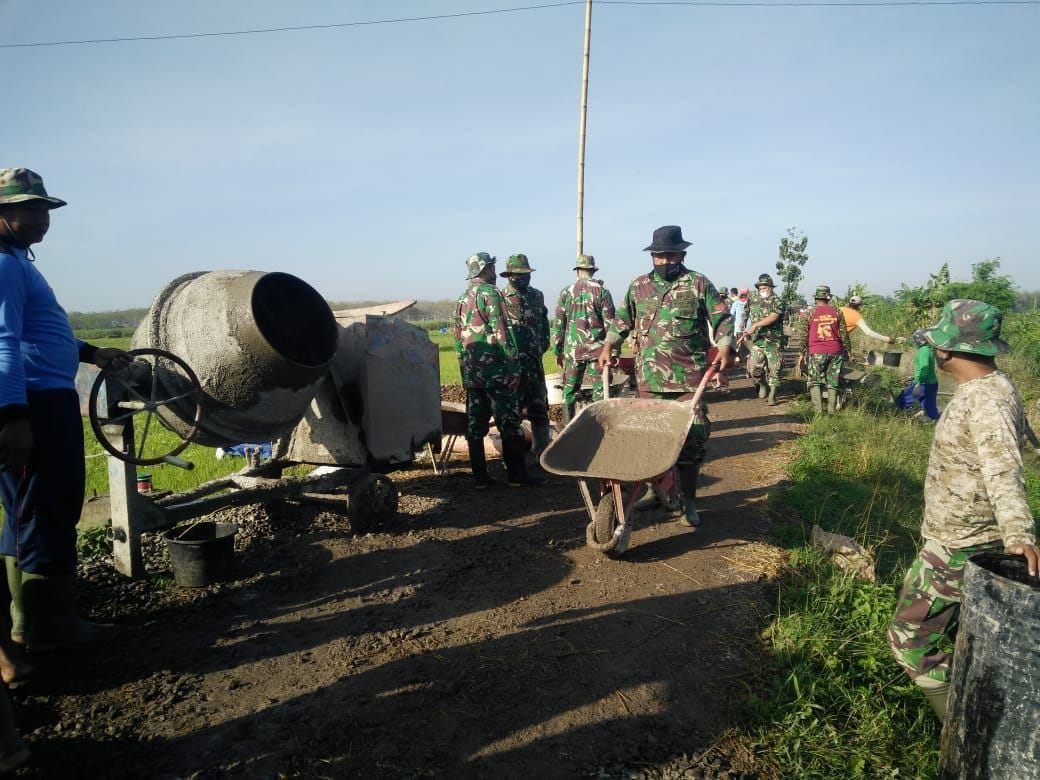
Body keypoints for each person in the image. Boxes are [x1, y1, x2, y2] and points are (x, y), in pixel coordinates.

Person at [0, 168, 132, 669]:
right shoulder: (3, 265)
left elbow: (39, 333)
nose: (41, 219)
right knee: (40, 509)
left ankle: (35, 623)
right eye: (28, 209)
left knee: (42, 507)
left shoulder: (15, 260)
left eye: (44, 209)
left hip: (43, 398)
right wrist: (14, 417)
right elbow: (3, 343)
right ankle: (45, 627)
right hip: (32, 403)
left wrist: (91, 352)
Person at [887, 300, 1039, 722]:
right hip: (956, 537)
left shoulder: (986, 400)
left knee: (909, 640)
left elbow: (1004, 469)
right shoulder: (987, 387)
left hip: (961, 544)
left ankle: (962, 729)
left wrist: (1018, 533)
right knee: (959, 632)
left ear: (946, 350)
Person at [597, 225, 732, 527]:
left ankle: (689, 502)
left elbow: (722, 318)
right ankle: (654, 491)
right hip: (649, 380)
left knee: (691, 441)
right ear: (652, 256)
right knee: (649, 440)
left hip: (688, 379)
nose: (664, 261)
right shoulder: (638, 286)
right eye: (659, 256)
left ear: (682, 254)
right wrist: (609, 345)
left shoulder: (698, 283)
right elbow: (621, 321)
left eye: (670, 255)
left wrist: (724, 346)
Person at [453, 252, 542, 487]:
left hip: (473, 375)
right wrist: (514, 368)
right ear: (485, 269)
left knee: (475, 426)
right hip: (497, 374)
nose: (494, 271)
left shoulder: (462, 299)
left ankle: (480, 478)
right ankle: (516, 475)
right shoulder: (491, 294)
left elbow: (458, 340)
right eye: (492, 267)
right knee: (509, 423)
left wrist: (464, 374)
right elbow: (503, 332)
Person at [550, 254, 616, 424]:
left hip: (573, 351)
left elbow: (558, 324)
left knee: (569, 392)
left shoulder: (566, 292)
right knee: (601, 392)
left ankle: (568, 429)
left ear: (578, 271)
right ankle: (600, 428)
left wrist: (557, 351)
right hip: (598, 351)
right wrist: (613, 351)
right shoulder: (602, 292)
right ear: (592, 271)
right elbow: (611, 324)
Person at [499, 254, 552, 455]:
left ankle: (542, 454)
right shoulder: (500, 298)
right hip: (513, 368)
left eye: (526, 274)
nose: (523, 278)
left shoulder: (537, 296)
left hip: (534, 364)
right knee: (512, 414)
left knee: (539, 410)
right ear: (509, 276)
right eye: (518, 275)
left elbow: (544, 323)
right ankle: (515, 458)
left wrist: (541, 346)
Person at [796, 285, 851, 414]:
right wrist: (848, 350)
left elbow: (804, 335)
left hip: (817, 351)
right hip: (835, 351)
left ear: (816, 298)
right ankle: (831, 411)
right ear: (828, 298)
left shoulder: (809, 313)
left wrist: (801, 353)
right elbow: (844, 334)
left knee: (815, 381)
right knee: (833, 381)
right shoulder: (837, 311)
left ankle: (819, 412)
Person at [741, 273, 785, 405]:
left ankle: (772, 395)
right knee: (754, 367)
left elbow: (773, 317)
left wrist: (755, 325)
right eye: (760, 288)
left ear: (771, 287)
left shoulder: (777, 301)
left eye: (764, 287)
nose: (762, 290)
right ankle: (762, 383)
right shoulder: (753, 299)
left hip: (773, 340)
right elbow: (746, 311)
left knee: (774, 368)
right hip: (757, 340)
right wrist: (743, 323)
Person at [909, 328, 940, 421]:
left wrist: (918, 383)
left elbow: (925, 369)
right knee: (930, 407)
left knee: (904, 400)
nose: (915, 342)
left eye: (916, 339)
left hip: (924, 384)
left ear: (920, 340)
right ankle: (935, 421)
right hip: (933, 383)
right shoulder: (929, 349)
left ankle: (898, 418)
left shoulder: (923, 352)